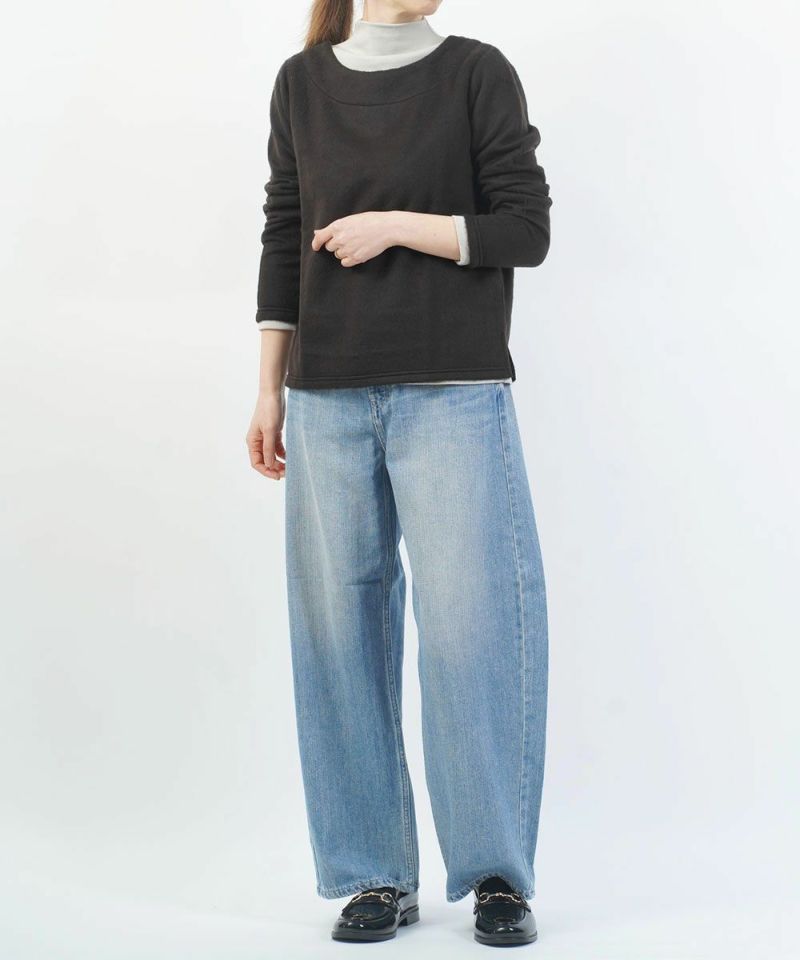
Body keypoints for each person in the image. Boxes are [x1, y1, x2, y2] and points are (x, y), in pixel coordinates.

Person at [246, 0, 552, 947]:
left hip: (452, 388)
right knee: (338, 639)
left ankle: (496, 876)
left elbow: (526, 230)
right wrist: (268, 389)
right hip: (326, 397)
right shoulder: (301, 84)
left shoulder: (476, 72)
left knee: (471, 631)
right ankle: (373, 873)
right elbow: (283, 235)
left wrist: (396, 226)